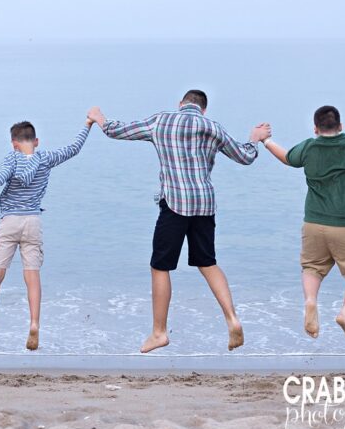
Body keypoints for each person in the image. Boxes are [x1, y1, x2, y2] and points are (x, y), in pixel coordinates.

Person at [87, 90, 270, 353]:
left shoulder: (161, 121)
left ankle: (159, 332)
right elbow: (245, 156)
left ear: (180, 105)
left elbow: (118, 131)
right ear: (203, 110)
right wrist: (255, 139)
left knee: (160, 266)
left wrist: (99, 117)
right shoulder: (212, 127)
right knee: (208, 263)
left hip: (174, 204)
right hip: (204, 205)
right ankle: (232, 318)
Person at [0, 118, 92, 350]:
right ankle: (34, 323)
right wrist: (88, 123)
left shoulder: (12, 158)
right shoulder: (45, 158)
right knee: (32, 275)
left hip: (10, 221)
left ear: (14, 143)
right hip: (33, 221)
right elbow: (74, 148)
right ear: (36, 141)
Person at [262, 105, 345, 343]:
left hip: (313, 224)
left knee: (312, 267)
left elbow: (287, 158)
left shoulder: (309, 147)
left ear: (315, 128)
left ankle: (310, 301)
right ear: (341, 127)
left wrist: (266, 141)